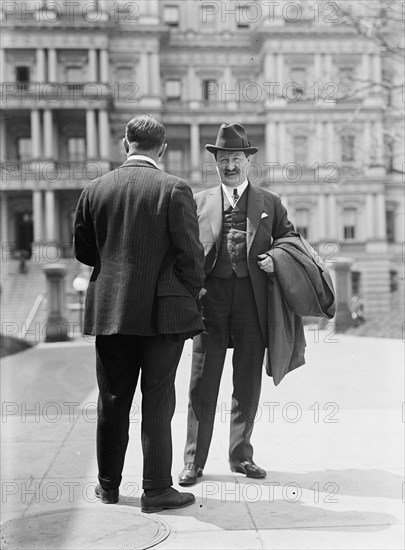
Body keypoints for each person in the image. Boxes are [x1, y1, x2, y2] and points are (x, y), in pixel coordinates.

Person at [74, 115, 205, 513]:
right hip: (162, 315)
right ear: (161, 149)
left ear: (125, 144)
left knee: (112, 400)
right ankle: (156, 490)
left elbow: (83, 251)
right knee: (158, 401)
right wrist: (180, 288)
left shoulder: (95, 189)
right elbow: (191, 257)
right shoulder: (174, 189)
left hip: (111, 310)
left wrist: (114, 271)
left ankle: (109, 487)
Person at [179, 123, 296, 486]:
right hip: (208, 303)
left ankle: (241, 456)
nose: (230, 165)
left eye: (236, 158)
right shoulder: (198, 202)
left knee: (246, 380)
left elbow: (290, 238)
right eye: (223, 158)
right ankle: (193, 462)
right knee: (202, 382)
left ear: (248, 161)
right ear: (215, 161)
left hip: (252, 301)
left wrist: (276, 257)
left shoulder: (270, 202)